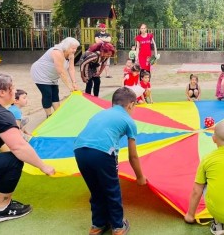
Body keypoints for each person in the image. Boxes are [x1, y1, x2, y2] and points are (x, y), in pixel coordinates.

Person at [0, 73, 55, 223]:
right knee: (13, 160)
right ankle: (3, 209)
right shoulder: (0, 114)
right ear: (2, 92)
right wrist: (42, 166)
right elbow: (19, 147)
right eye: (12, 87)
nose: (15, 90)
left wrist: (30, 159)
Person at [74, 87, 147, 235]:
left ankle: (98, 225)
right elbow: (133, 156)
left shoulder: (100, 113)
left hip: (79, 150)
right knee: (112, 190)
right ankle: (118, 227)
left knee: (96, 190)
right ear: (131, 105)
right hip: (102, 152)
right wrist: (140, 177)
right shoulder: (128, 121)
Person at [30, 37, 80, 118]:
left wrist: (74, 82)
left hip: (52, 75)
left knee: (55, 93)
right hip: (41, 73)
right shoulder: (57, 52)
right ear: (66, 46)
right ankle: (49, 115)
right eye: (73, 48)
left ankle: (57, 114)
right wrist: (69, 86)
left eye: (76, 48)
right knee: (47, 94)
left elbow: (71, 69)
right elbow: (61, 71)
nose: (75, 50)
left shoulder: (71, 55)